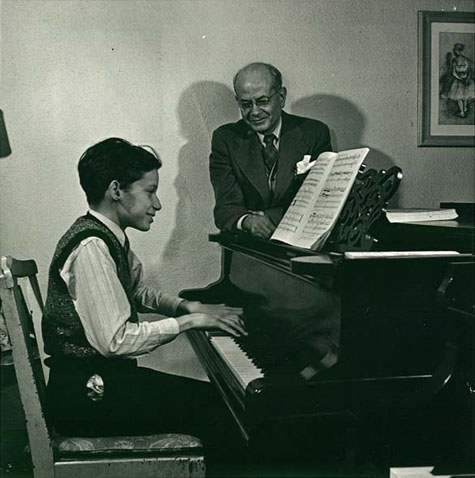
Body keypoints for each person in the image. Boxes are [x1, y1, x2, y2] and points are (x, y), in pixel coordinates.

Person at [41, 138, 246, 468]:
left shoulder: (107, 235)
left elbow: (137, 290)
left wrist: (186, 307)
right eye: (150, 191)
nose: (158, 204)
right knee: (220, 411)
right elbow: (115, 341)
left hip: (97, 385)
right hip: (86, 398)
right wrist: (189, 323)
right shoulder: (91, 246)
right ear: (116, 190)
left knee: (219, 402)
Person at [210, 62, 332, 239]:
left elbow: (319, 203)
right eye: (245, 104)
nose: (255, 112)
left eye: (262, 101)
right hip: (249, 248)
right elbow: (225, 208)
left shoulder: (314, 133)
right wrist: (247, 221)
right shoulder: (225, 138)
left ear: (281, 97)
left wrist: (269, 217)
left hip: (300, 244)